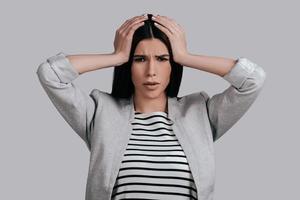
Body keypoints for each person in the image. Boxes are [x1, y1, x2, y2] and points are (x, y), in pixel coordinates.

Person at [36, 13, 266, 200]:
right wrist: (116, 56)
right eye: (140, 59)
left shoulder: (200, 113)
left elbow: (252, 80)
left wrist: (185, 56)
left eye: (162, 59)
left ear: (173, 65)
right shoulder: (100, 113)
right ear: (128, 65)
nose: (151, 71)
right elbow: (51, 74)